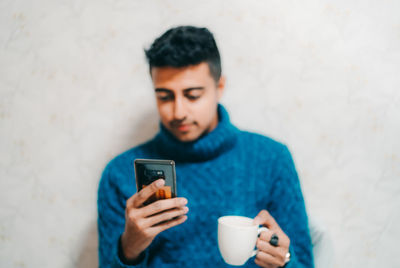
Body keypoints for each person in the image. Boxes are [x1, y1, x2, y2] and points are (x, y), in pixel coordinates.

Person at [98, 26, 314, 268]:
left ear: (219, 87)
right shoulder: (119, 173)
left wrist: (285, 261)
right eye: (165, 96)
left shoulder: (271, 159)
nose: (178, 112)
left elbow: (304, 263)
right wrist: (129, 248)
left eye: (192, 95)